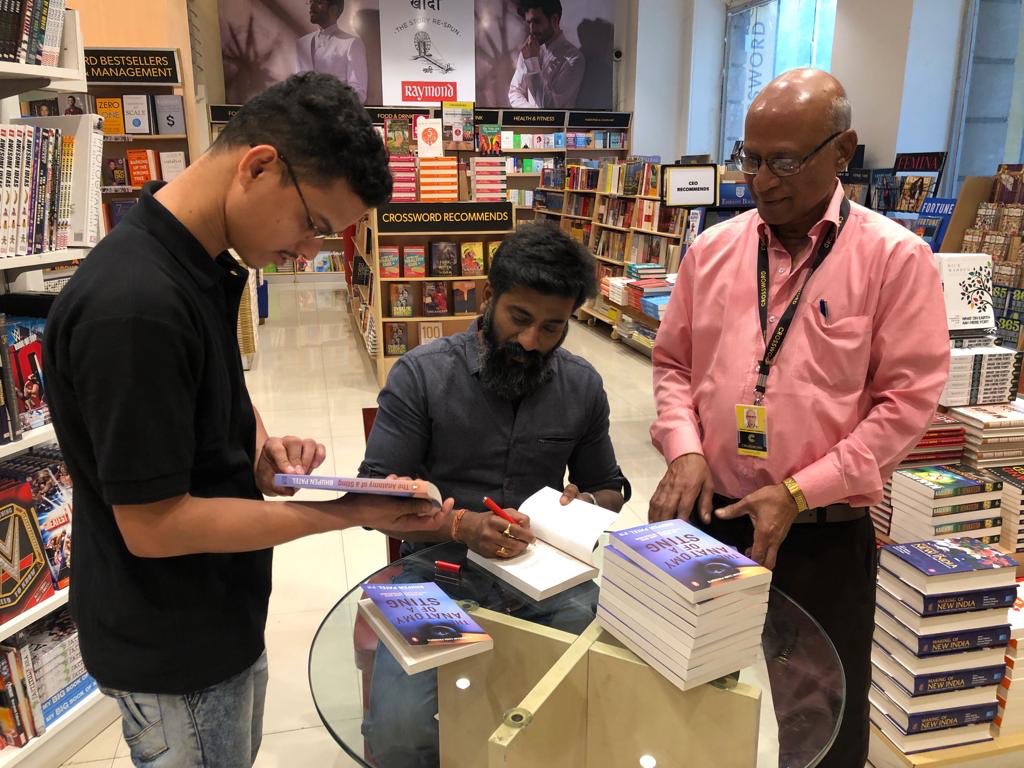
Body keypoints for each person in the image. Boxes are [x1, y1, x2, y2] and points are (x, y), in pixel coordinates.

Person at [44, 73, 452, 768]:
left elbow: (197, 390)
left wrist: (257, 442)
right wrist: (345, 513)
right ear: (259, 165)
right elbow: (153, 525)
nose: (307, 253)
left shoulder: (189, 259)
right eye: (313, 225)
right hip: (175, 643)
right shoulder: (136, 305)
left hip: (210, 614)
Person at [648, 69, 949, 768]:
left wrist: (796, 491)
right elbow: (671, 366)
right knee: (683, 694)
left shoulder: (895, 259)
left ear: (842, 150)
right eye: (749, 157)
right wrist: (684, 447)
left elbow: (905, 404)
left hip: (819, 535)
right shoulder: (713, 250)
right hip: (710, 519)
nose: (760, 178)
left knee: (820, 715)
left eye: (783, 160)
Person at [359, 221, 630, 767]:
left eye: (553, 328)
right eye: (520, 319)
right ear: (488, 297)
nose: (532, 342)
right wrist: (457, 527)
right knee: (399, 730)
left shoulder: (581, 386)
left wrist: (586, 506)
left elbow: (610, 486)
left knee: (600, 701)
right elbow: (372, 502)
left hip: (549, 576)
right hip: (438, 571)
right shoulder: (423, 376)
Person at [508, 0, 585, 109]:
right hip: (528, 125)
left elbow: (550, 107)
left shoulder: (574, 59)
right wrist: (532, 117)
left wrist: (531, 62)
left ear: (554, 20)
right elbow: (514, 92)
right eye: (529, 22)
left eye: (537, 21)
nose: (531, 29)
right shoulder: (529, 50)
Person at [295, 0, 368, 103]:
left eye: (319, 2)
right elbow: (298, 86)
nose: (311, 7)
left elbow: (359, 93)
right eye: (311, 2)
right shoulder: (302, 43)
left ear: (333, 10)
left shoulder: (352, 43)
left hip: (337, 116)